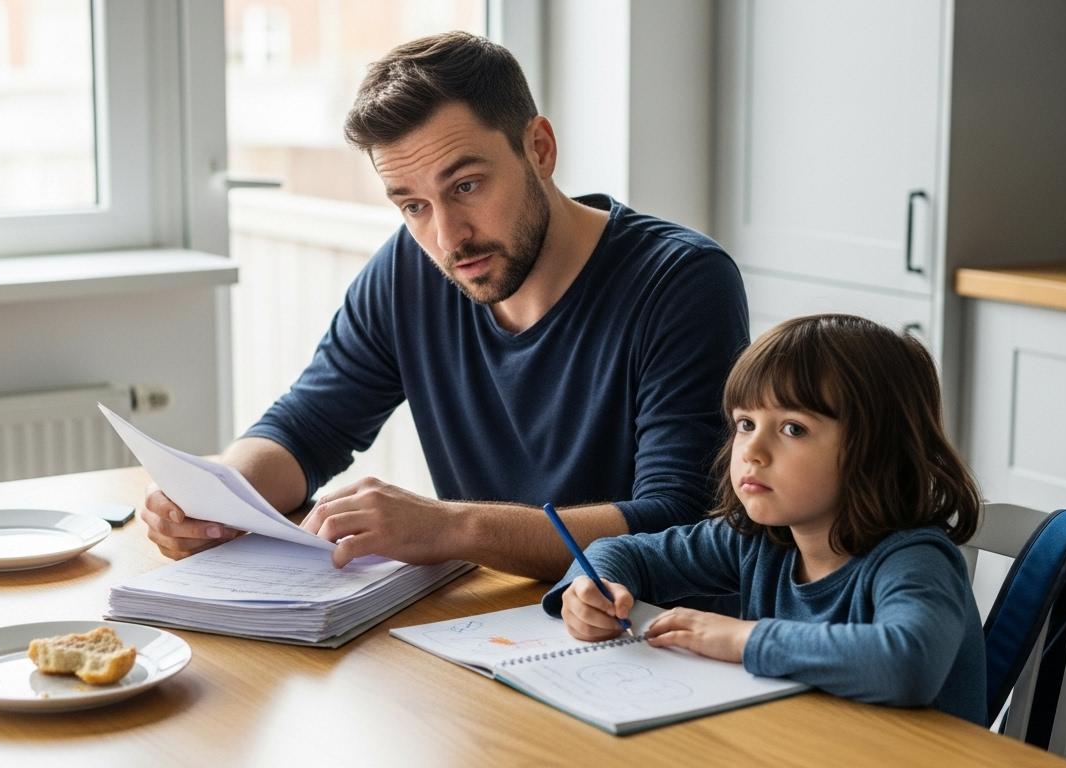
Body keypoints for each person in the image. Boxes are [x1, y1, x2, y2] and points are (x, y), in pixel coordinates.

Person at [140, 32, 749, 580]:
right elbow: (306, 429)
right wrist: (214, 492)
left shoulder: (681, 282)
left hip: (639, 633)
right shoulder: (410, 271)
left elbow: (679, 522)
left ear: (538, 148)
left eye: (466, 186)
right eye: (412, 205)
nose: (447, 236)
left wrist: (449, 528)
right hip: (487, 626)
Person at [545, 314, 987, 724]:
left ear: (875, 450)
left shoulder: (915, 560)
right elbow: (624, 551)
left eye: (793, 428)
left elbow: (907, 664)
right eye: (745, 424)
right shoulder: (761, 540)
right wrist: (591, 589)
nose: (752, 451)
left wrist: (743, 639)